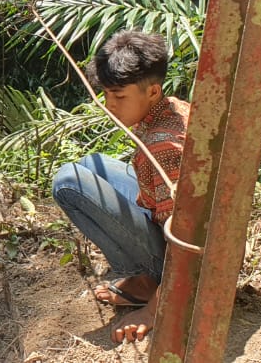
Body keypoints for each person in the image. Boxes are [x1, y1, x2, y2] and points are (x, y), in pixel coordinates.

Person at [50, 31, 191, 343]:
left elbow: (187, 241)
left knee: (67, 183)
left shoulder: (164, 146)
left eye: (119, 96)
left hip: (176, 254)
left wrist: (156, 312)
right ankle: (144, 275)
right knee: (91, 163)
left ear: (152, 92)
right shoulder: (172, 108)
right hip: (160, 217)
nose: (108, 105)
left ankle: (146, 279)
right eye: (106, 94)